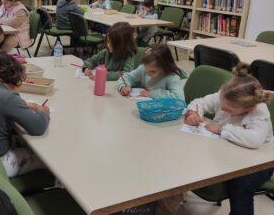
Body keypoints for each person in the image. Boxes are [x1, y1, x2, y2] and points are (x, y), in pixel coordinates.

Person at [184, 63, 273, 215]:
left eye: (228, 109)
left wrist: (221, 129)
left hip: (260, 162)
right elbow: (202, 102)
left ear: (249, 108)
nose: (222, 108)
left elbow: (254, 140)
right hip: (229, 151)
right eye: (222, 104)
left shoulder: (259, 113)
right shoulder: (225, 97)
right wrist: (192, 112)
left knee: (240, 185)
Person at [117, 44, 187, 100]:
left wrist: (153, 94)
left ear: (164, 67)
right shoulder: (144, 69)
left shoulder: (172, 77)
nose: (147, 73)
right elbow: (127, 77)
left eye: (153, 72)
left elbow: (179, 98)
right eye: (146, 69)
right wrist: (123, 86)